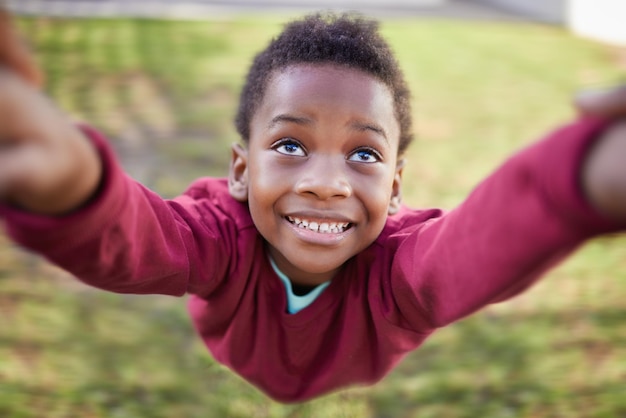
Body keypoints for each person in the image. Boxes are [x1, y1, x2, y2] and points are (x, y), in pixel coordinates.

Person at [0, 11, 625, 403]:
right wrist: (71, 177)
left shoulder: (399, 272)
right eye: (291, 145)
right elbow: (133, 236)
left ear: (397, 186)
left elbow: (484, 241)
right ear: (242, 171)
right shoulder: (222, 235)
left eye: (364, 155)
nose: (327, 183)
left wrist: (593, 174)